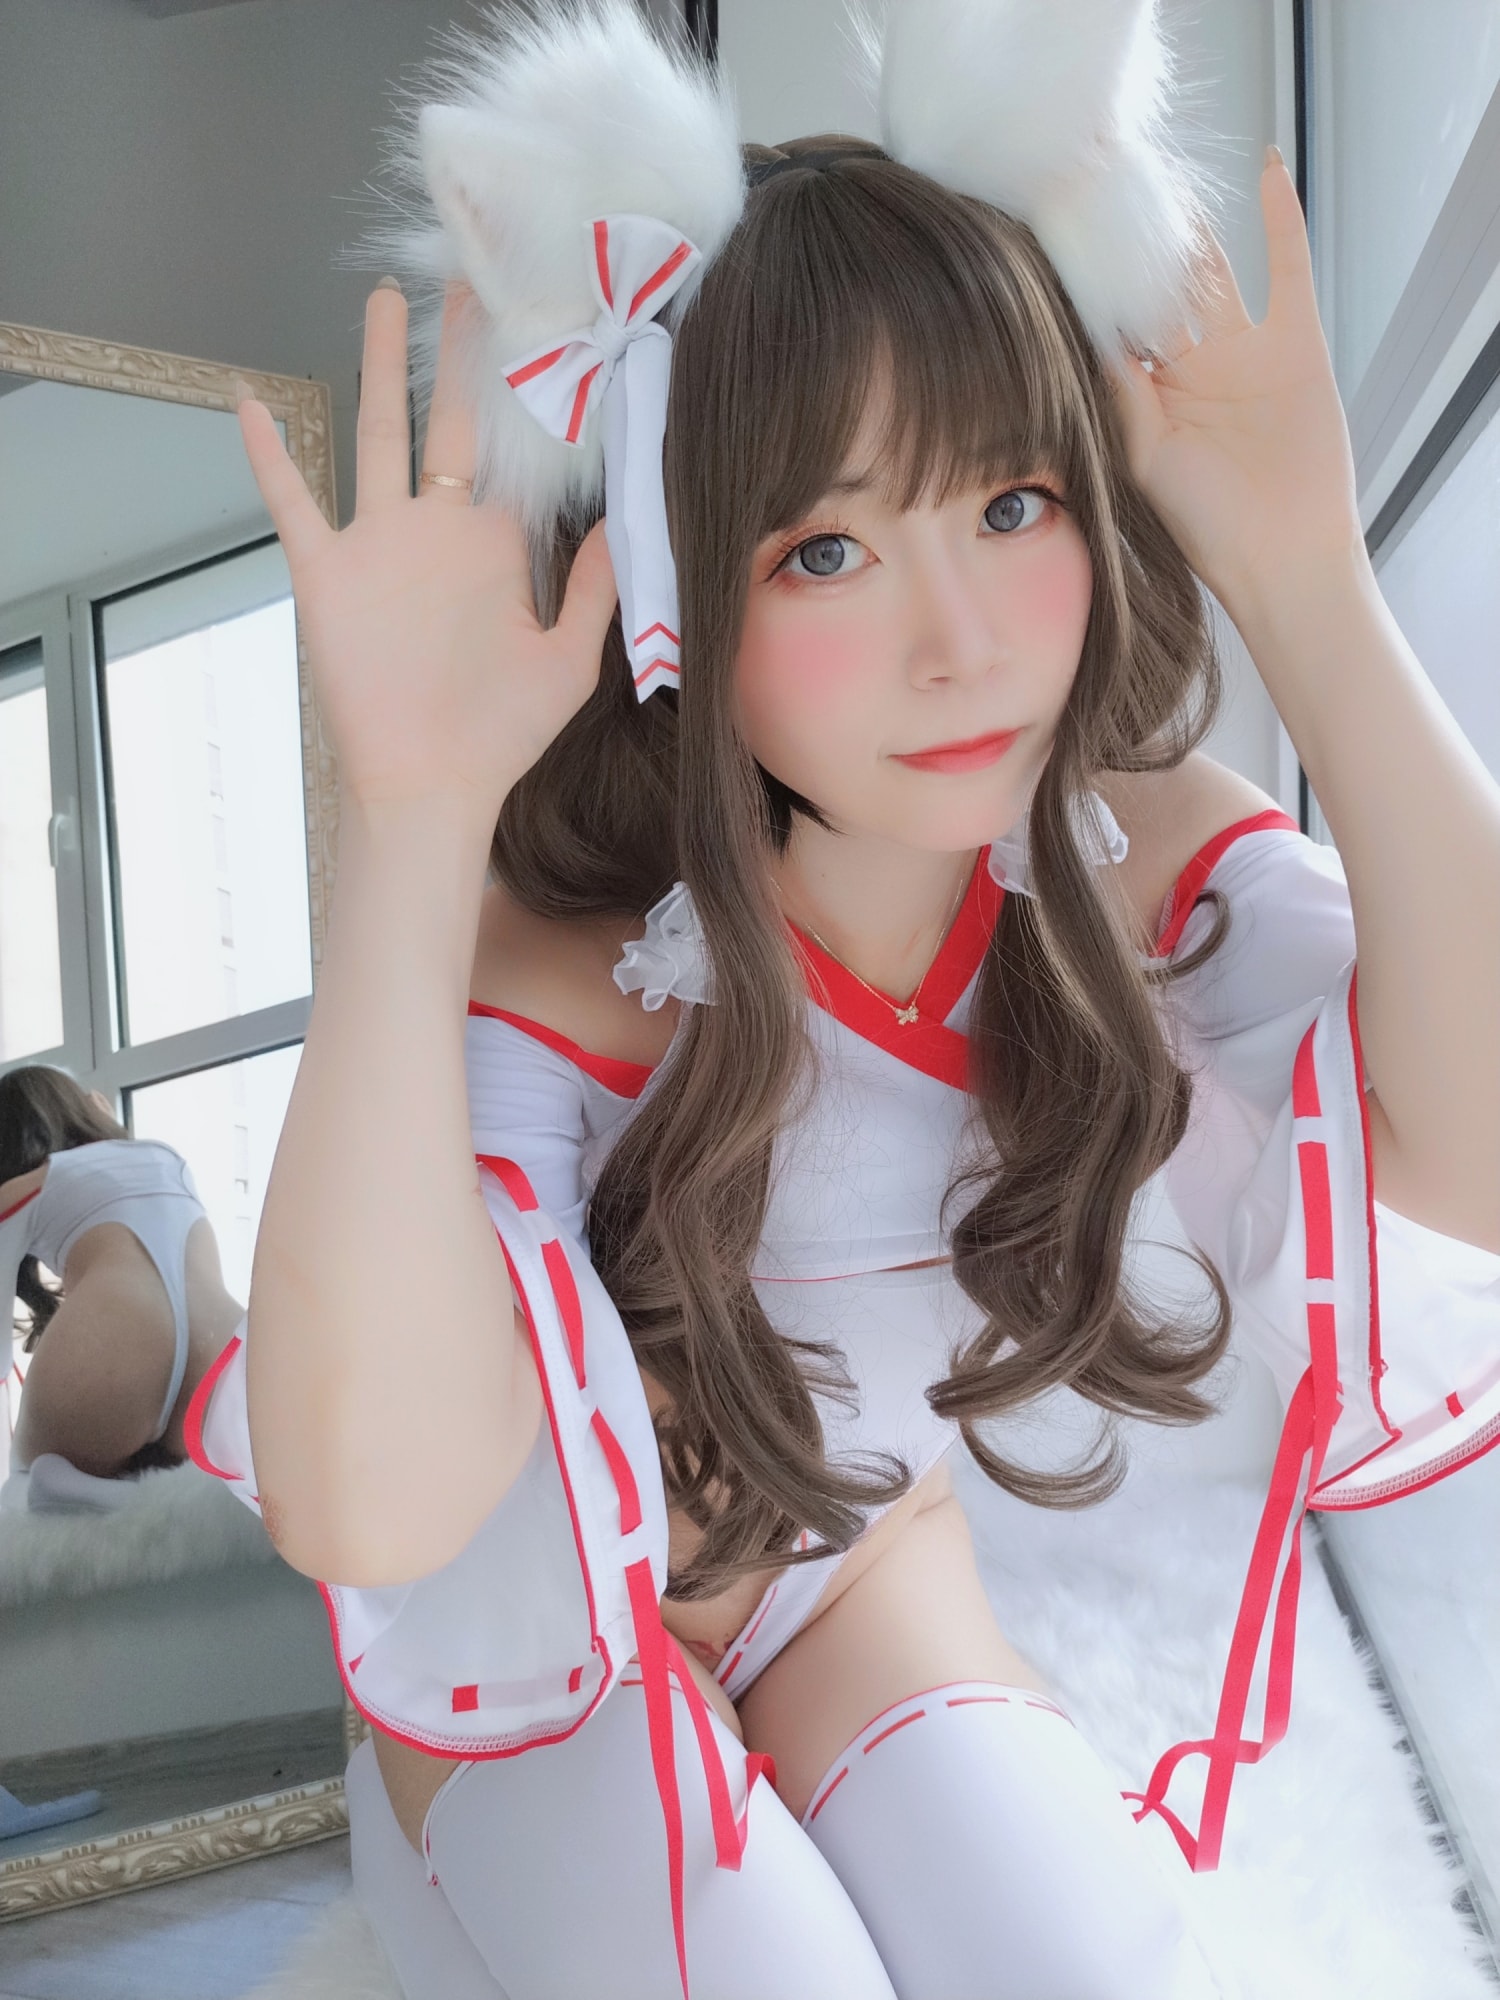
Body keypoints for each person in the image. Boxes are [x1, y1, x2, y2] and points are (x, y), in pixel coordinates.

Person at [189, 3, 1500, 1996]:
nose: (959, 641)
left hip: (858, 1574)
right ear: (675, 584)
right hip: (551, 1648)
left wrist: (1310, 577)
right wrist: (416, 818)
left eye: (1010, 505)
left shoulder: (1125, 862)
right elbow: (374, 1502)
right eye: (824, 550)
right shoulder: (575, 966)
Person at [0, 1064, 243, 1508]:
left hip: (113, 1344)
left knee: (22, 1481)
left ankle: (67, 1484)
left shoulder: (37, 1182)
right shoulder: (169, 1158)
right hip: (225, 1350)